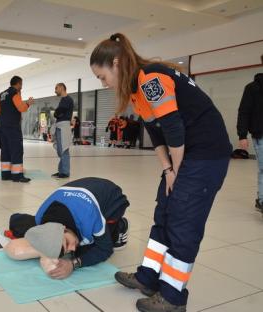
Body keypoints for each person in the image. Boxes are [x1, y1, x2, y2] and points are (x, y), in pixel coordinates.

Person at [90, 33, 231, 312]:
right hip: (186, 155)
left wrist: (176, 171)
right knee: (164, 214)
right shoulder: (136, 90)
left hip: (205, 155)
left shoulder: (150, 79)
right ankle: (148, 278)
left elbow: (174, 129)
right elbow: (157, 135)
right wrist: (168, 170)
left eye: (102, 76)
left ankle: (173, 297)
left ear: (116, 63)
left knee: (182, 222)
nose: (103, 84)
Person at [7, 177, 129, 279]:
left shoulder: (89, 215)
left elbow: (105, 250)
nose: (71, 248)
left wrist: (74, 264)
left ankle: (120, 226)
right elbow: (15, 219)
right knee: (20, 225)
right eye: (65, 248)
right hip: (80, 192)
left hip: (112, 198)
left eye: (67, 243)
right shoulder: (41, 217)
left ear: (63, 228)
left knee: (86, 250)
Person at [237, 55, 263, 214]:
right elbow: (244, 112)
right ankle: (261, 200)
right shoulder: (253, 88)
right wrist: (242, 135)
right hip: (261, 134)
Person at [0, 75, 34, 182]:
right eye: (21, 84)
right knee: (16, 149)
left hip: (2, 126)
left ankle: (5, 174)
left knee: (5, 150)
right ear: (18, 84)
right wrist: (28, 103)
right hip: (12, 126)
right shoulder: (14, 93)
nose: (21, 87)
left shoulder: (1, 94)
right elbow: (21, 108)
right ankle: (17, 175)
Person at [51, 83, 74, 179]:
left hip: (63, 126)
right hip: (60, 126)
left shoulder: (67, 100)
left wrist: (57, 113)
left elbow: (58, 113)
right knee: (61, 149)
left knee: (64, 149)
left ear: (61, 87)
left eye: (56, 88)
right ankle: (62, 170)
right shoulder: (63, 100)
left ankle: (65, 172)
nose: (55, 90)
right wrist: (57, 113)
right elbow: (58, 113)